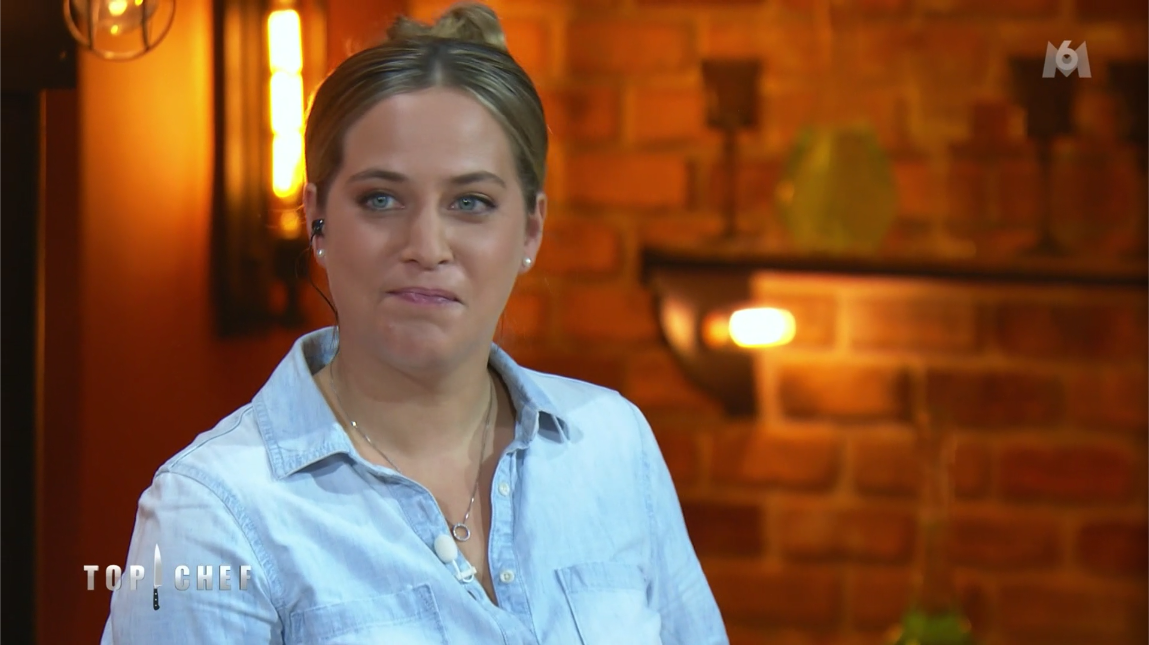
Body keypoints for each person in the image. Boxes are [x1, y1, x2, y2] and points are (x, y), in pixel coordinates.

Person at [100, 3, 728, 643]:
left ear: (531, 229)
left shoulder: (612, 444)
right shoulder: (211, 512)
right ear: (318, 220)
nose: (427, 246)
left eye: (470, 202)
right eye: (381, 199)